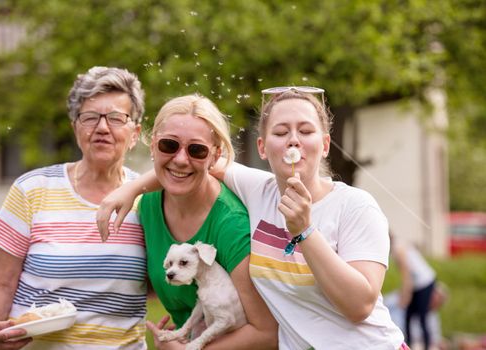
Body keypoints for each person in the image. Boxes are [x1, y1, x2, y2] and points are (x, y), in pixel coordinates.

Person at [98, 86, 408, 349]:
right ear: (262, 146)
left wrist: (305, 231)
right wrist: (131, 189)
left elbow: (360, 306)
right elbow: (187, 163)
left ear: (324, 144)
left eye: (306, 131)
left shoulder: (355, 206)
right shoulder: (257, 190)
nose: (294, 140)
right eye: (281, 132)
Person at [0, 66, 148, 349]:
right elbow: (0, 282)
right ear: (75, 128)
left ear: (135, 133)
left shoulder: (148, 200)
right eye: (90, 117)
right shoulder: (33, 189)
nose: (102, 128)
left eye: (115, 118)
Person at [99, 93, 278, 350]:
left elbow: (266, 333)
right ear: (153, 146)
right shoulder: (148, 205)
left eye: (197, 150)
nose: (181, 159)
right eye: (169, 145)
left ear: (215, 156)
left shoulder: (231, 224)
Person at [390, 232, 438, 350]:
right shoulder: (399, 245)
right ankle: (408, 345)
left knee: (422, 317)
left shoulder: (398, 249)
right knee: (408, 317)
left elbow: (407, 276)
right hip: (418, 285)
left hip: (425, 283)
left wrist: (405, 297)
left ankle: (427, 346)